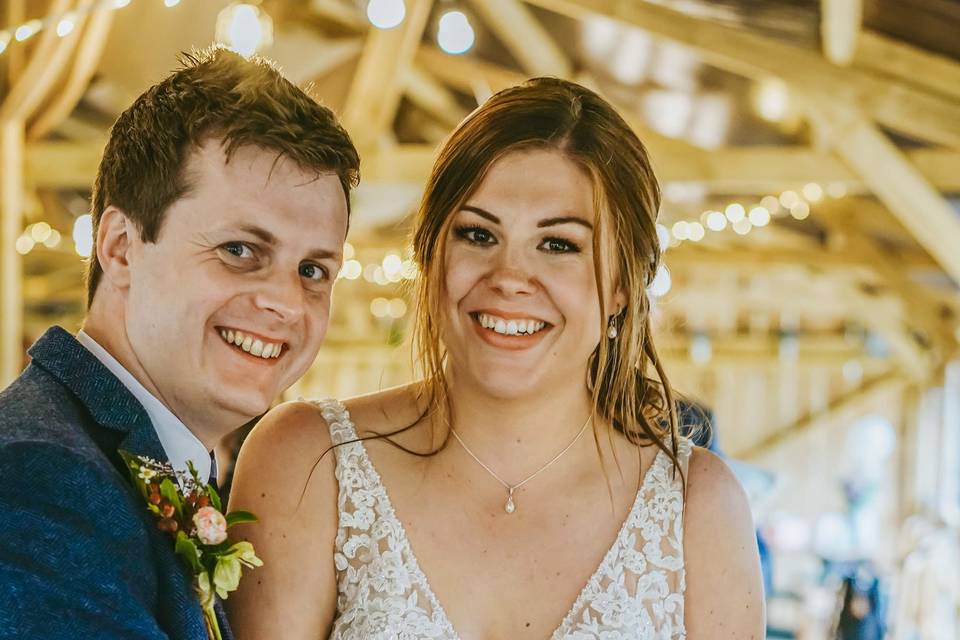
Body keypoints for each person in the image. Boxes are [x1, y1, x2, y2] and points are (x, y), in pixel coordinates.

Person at [228, 77, 764, 639]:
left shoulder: (697, 508)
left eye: (558, 245)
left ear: (623, 285)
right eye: (478, 235)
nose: (509, 278)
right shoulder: (308, 463)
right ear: (430, 257)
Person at [0, 47, 359, 640]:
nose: (288, 303)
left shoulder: (143, 461)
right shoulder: (40, 481)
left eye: (314, 270)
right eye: (240, 250)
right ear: (120, 247)